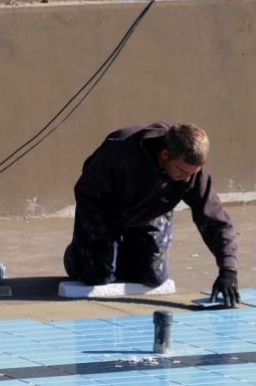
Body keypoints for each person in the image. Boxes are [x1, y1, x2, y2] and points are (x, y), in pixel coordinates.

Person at [63, 121, 241, 307]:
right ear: (165, 154)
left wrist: (228, 270)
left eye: (192, 173)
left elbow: (215, 220)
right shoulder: (119, 152)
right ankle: (75, 255)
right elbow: (86, 194)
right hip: (106, 215)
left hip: (150, 212)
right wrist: (96, 237)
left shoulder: (191, 170)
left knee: (153, 277)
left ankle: (119, 253)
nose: (187, 179)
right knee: (99, 275)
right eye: (182, 171)